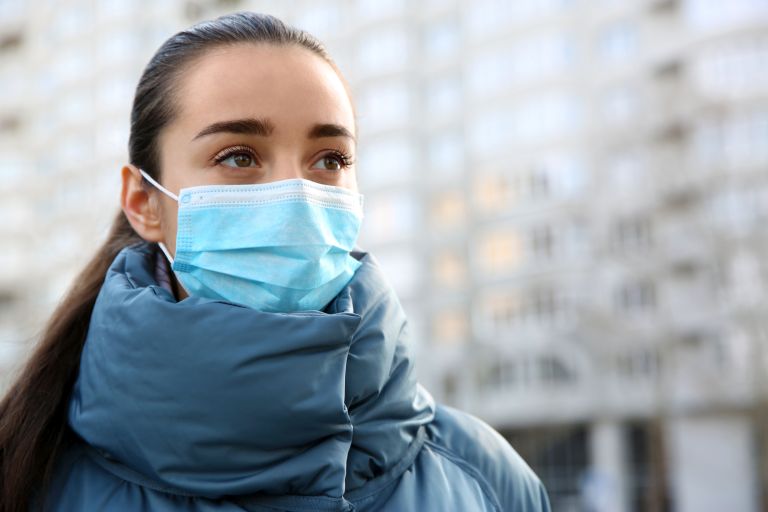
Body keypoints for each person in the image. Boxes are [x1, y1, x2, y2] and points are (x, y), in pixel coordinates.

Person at [0, 12, 550, 512]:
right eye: (238, 156)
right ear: (145, 202)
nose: (296, 195)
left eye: (329, 159)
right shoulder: (29, 475)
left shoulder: (488, 480)